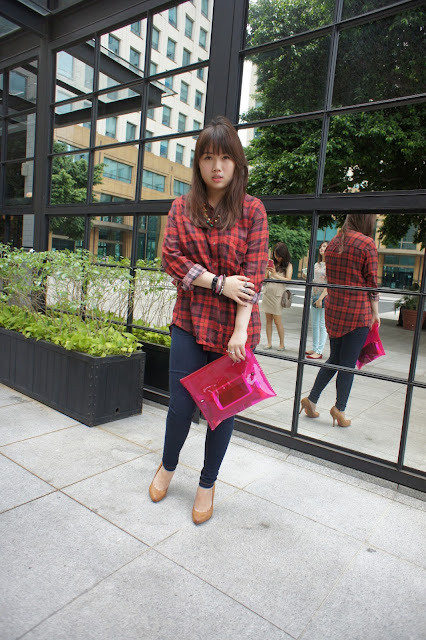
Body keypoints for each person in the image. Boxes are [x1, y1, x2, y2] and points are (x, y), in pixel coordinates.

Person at [149, 116, 269, 524]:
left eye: (225, 157)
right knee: (180, 404)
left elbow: (253, 275)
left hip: (235, 328)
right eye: (207, 157)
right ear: (198, 162)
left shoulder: (252, 210)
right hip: (190, 318)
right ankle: (167, 466)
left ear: (237, 162)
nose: (217, 166)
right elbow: (171, 258)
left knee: (222, 410)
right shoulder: (182, 208)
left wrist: (240, 331)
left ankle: (207, 483)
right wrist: (218, 283)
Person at [300, 214, 380, 427]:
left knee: (335, 358)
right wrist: (376, 312)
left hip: (334, 311)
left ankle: (312, 400)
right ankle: (340, 409)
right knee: (347, 364)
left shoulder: (334, 243)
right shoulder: (367, 243)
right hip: (357, 313)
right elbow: (372, 283)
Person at [261, 242, 293, 351]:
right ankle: (269, 343)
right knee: (268, 320)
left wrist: (275, 274)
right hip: (268, 293)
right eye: (275, 255)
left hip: (278, 295)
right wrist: (267, 271)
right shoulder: (272, 263)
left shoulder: (288, 265)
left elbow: (288, 280)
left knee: (277, 321)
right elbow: (265, 279)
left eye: (279, 256)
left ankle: (281, 344)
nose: (277, 257)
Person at [305, 241, 328, 360]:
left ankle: (319, 350)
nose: (322, 248)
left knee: (322, 324)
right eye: (321, 246)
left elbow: (329, 284)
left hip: (324, 296)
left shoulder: (330, 265)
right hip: (314, 295)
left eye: (325, 246)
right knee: (314, 323)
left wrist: (320, 298)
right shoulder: (316, 265)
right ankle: (314, 348)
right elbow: (314, 279)